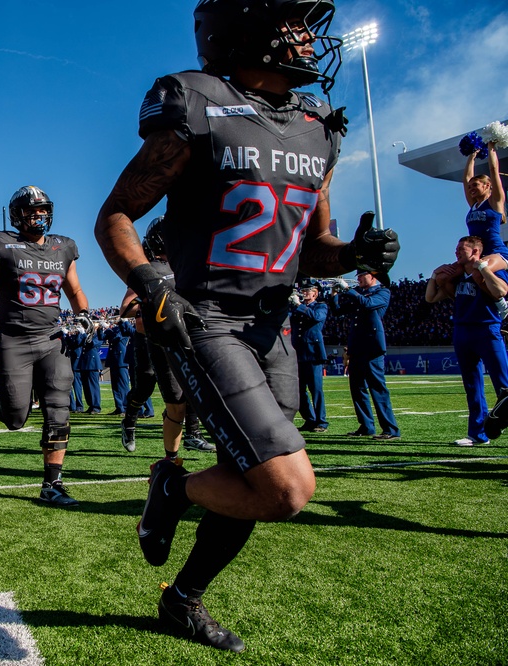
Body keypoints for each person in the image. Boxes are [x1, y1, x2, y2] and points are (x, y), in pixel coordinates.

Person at [95, 0, 398, 652]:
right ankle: (171, 487)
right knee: (286, 488)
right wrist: (151, 285)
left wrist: (353, 256)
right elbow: (116, 215)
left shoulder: (318, 124)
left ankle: (182, 597)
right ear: (241, 29)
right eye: (292, 21)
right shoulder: (199, 103)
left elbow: (314, 246)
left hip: (274, 327)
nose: (308, 38)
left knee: (248, 480)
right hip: (208, 319)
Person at [0, 185, 89, 507]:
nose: (38, 216)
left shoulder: (64, 247)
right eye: (31, 211)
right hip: (13, 340)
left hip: (51, 339)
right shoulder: (3, 245)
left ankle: (52, 483)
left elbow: (74, 291)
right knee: (16, 418)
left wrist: (83, 315)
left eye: (43, 210)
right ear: (17, 216)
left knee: (58, 409)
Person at [118, 218, 213, 456]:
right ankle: (129, 421)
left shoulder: (187, 267)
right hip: (150, 338)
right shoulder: (150, 270)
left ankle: (193, 434)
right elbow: (125, 310)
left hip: (180, 338)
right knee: (145, 386)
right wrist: (153, 304)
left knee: (190, 387)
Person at [425, 236, 508, 445]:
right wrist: (434, 275)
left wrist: (484, 269)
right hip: (462, 331)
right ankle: (478, 434)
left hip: (487, 329)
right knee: (472, 385)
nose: (457, 252)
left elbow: (501, 291)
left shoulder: (487, 272)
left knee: (504, 384)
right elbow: (430, 297)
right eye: (456, 248)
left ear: (476, 251)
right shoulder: (458, 277)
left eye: (461, 249)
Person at [431, 142, 507, 316]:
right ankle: (462, 306)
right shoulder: (473, 205)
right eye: (471, 187)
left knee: (478, 271)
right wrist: (472, 156)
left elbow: (494, 170)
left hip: (496, 252)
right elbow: (466, 180)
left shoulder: (494, 203)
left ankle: (502, 305)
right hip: (475, 254)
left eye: (477, 185)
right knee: (443, 278)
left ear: (487, 186)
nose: (471, 188)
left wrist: (491, 148)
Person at [331, 271, 400, 440]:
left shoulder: (382, 292)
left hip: (372, 347)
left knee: (377, 388)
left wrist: (348, 290)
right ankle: (366, 426)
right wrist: (334, 295)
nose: (358, 278)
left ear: (373, 276)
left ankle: (390, 429)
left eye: (362, 275)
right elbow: (338, 311)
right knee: (357, 389)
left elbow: (368, 304)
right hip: (357, 346)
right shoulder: (359, 294)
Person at [289, 280, 329, 432]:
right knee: (299, 391)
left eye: (307, 290)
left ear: (315, 293)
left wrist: (299, 305)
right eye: (303, 290)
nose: (304, 292)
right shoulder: (298, 309)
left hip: (313, 354)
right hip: (298, 353)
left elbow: (316, 317)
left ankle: (321, 421)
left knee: (316, 390)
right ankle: (309, 419)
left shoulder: (321, 306)